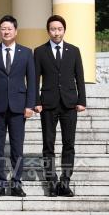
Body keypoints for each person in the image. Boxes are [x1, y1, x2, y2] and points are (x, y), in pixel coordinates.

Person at [0, 15, 35, 197]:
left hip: (19, 107)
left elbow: (32, 81)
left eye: (9, 28)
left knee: (17, 147)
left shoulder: (27, 53)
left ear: (16, 31)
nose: (6, 31)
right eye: (3, 28)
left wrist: (30, 105)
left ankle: (17, 182)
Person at [34, 15, 86, 197]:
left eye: (59, 29)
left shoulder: (74, 51)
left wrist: (82, 101)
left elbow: (79, 77)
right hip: (47, 104)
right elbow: (34, 79)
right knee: (48, 144)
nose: (56, 32)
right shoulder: (39, 51)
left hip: (69, 104)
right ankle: (51, 182)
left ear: (64, 30)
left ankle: (65, 181)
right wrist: (36, 102)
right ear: (48, 31)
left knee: (68, 144)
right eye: (53, 29)